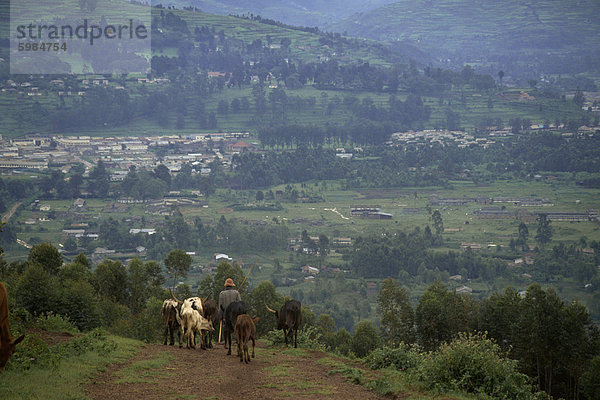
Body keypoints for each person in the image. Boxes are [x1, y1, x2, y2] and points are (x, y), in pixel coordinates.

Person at [218, 278, 241, 343]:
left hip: (226, 314)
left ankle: (226, 342)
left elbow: (220, 306)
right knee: (236, 327)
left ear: (226, 285)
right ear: (232, 285)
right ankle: (237, 340)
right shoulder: (236, 293)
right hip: (235, 314)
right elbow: (239, 303)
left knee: (225, 327)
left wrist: (220, 316)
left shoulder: (222, 293)